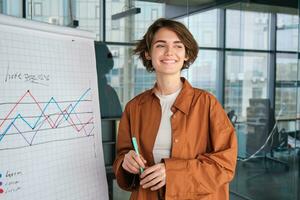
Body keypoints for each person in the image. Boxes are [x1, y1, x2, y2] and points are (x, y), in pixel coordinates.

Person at [113, 18, 237, 200]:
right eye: (160, 45)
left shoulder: (207, 103)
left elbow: (225, 166)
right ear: (148, 53)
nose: (169, 52)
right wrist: (125, 162)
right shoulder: (135, 107)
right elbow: (122, 158)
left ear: (186, 54)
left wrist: (171, 172)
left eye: (178, 46)